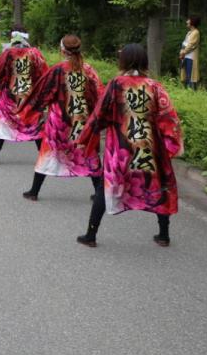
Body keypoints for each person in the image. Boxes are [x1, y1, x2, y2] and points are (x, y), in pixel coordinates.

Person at [76, 44, 182, 248]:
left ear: (123, 61)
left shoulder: (117, 84)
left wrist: (85, 138)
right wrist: (171, 146)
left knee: (105, 188)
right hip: (150, 149)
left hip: (121, 149)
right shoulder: (155, 86)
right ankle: (164, 235)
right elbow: (169, 118)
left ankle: (91, 235)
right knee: (159, 187)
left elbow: (100, 114)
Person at [15, 34, 102, 202]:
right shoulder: (89, 70)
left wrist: (29, 111)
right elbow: (99, 95)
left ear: (62, 50)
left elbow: (43, 93)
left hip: (60, 123)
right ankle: (99, 192)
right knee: (88, 154)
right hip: (82, 122)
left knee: (48, 154)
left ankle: (34, 191)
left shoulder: (58, 69)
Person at [0, 26, 47, 165]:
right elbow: (43, 74)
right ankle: (44, 159)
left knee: (2, 125)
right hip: (29, 98)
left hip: (9, 97)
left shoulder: (8, 53)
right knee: (35, 127)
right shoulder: (35, 53)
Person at [179, 15, 201, 90]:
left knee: (190, 75)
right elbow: (184, 43)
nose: (187, 21)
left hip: (191, 57)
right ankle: (186, 90)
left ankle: (191, 91)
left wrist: (183, 52)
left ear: (193, 22)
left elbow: (191, 45)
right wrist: (182, 51)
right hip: (185, 56)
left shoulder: (196, 32)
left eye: (188, 20)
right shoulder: (189, 33)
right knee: (185, 75)